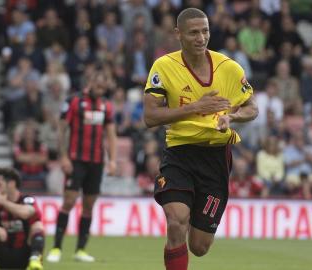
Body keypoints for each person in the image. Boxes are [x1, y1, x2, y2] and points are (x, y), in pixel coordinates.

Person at [143, 8, 258, 270]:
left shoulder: (228, 68)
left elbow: (252, 107)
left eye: (205, 31)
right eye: (194, 32)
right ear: (178, 34)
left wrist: (232, 117)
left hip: (215, 158)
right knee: (175, 221)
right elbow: (150, 116)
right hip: (179, 153)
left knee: (199, 246)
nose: (201, 37)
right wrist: (195, 107)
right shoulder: (164, 66)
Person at [46, 69, 117, 263]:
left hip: (96, 162)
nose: (101, 90)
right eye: (98, 85)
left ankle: (80, 250)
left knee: (89, 206)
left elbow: (111, 134)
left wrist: (112, 160)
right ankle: (56, 248)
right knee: (69, 201)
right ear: (90, 81)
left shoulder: (106, 106)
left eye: (104, 87)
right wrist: (63, 157)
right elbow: (61, 130)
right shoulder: (74, 101)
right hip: (75, 160)